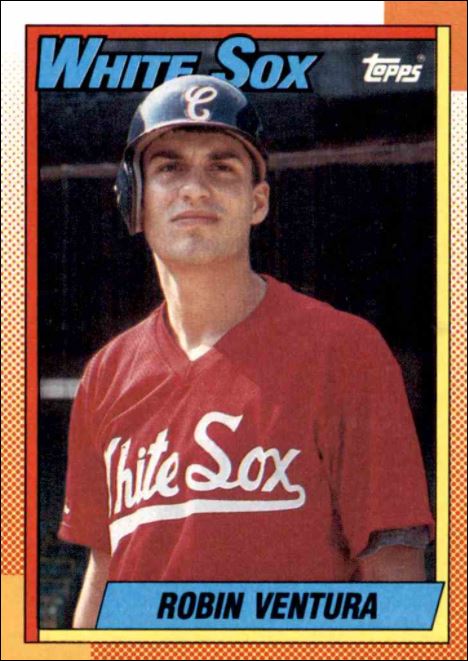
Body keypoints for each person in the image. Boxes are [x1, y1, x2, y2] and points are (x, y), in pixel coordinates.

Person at [58, 75, 434, 628]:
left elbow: (395, 578)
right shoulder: (105, 376)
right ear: (132, 197)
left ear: (257, 201)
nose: (194, 189)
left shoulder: (345, 352)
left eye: (222, 168)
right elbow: (104, 570)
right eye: (169, 167)